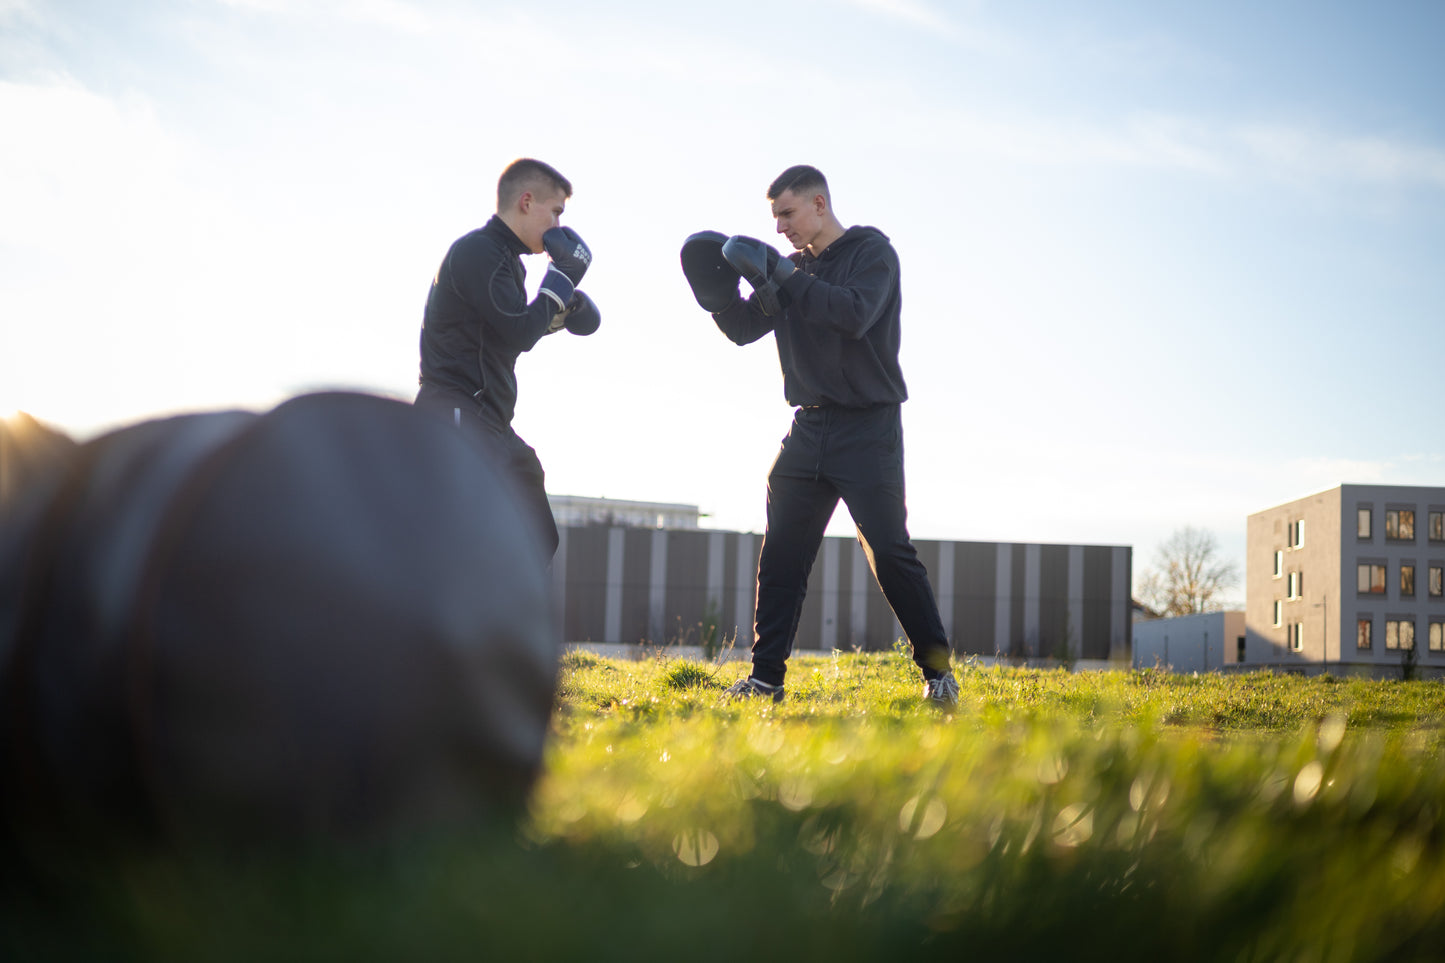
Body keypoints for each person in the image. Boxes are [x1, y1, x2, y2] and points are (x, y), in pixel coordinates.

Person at [681, 164, 959, 707]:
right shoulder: (788, 268)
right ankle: (765, 681)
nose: (780, 227)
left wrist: (781, 277)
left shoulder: (871, 253)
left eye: (787, 213)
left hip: (868, 426)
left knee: (890, 550)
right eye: (775, 217)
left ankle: (938, 675)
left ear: (819, 205)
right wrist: (715, 293)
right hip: (808, 427)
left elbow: (853, 314)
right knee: (781, 555)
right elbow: (743, 329)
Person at [415, 158, 600, 559]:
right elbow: (518, 330)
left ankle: (502, 620)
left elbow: (507, 334)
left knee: (536, 535)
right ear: (527, 202)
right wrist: (561, 279)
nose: (558, 227)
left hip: (493, 423)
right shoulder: (479, 251)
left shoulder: (506, 262)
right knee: (457, 542)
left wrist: (559, 315)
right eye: (556, 212)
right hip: (455, 414)